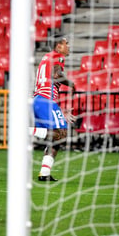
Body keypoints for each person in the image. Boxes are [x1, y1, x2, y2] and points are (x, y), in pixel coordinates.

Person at [33, 36, 76, 182]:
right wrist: (71, 85)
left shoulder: (47, 57)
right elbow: (56, 75)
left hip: (40, 100)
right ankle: (22, 131)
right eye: (66, 44)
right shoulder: (58, 57)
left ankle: (44, 173)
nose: (69, 46)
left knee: (56, 138)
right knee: (61, 133)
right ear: (58, 47)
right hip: (46, 100)